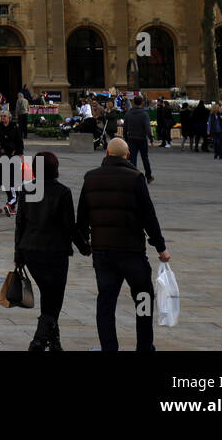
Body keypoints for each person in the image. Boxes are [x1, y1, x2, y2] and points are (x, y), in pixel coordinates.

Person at [76, 138, 170, 352]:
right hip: (132, 253)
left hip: (103, 253)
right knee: (144, 298)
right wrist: (161, 247)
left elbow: (81, 217)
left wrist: (85, 245)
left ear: (107, 153)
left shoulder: (90, 178)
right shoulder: (136, 178)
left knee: (106, 303)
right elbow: (149, 216)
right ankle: (145, 346)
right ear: (128, 156)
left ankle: (109, 348)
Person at [15, 151, 89, 351]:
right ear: (55, 168)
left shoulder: (26, 190)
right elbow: (69, 226)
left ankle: (54, 342)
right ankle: (38, 341)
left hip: (30, 251)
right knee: (54, 299)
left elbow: (20, 223)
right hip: (54, 253)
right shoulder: (62, 192)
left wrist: (18, 255)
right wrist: (84, 247)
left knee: (49, 296)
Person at [122, 95, 154, 183]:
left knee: (132, 159)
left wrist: (125, 138)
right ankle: (149, 176)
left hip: (131, 138)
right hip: (142, 139)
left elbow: (125, 127)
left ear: (133, 103)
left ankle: (133, 176)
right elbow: (147, 128)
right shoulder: (144, 114)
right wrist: (151, 139)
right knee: (145, 158)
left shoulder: (128, 113)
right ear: (142, 103)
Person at [0, 109, 24, 214]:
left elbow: (19, 142)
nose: (3, 118)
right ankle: (11, 205)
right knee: (7, 181)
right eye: (2, 116)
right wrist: (0, 149)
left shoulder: (14, 127)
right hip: (2, 157)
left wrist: (20, 153)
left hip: (14, 157)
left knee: (13, 180)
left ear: (9, 118)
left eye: (4, 116)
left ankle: (11, 204)